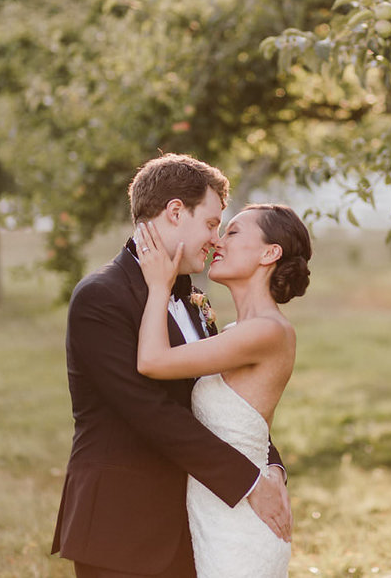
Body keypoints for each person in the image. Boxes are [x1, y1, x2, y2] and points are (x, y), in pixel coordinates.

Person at [51, 154, 291, 578]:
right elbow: (150, 413)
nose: (216, 240)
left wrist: (270, 465)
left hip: (190, 524)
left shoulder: (192, 296)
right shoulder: (100, 297)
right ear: (176, 212)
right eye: (212, 224)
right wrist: (249, 482)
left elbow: (226, 399)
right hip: (121, 527)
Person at [133, 202, 312, 578]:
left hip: (240, 531)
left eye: (231, 232)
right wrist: (274, 469)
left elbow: (152, 362)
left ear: (269, 253)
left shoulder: (267, 331)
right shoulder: (234, 332)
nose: (217, 241)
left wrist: (158, 287)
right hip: (214, 516)